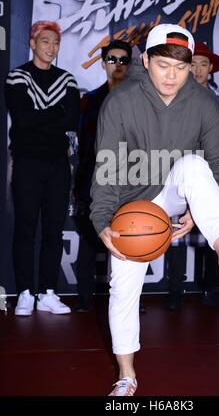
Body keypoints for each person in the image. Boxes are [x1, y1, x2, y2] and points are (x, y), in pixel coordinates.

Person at [90, 23, 219, 396]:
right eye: (164, 65)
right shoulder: (120, 102)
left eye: (181, 68)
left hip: (179, 187)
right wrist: (102, 219)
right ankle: (127, 375)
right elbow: (106, 166)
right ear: (145, 60)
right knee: (122, 287)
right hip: (133, 204)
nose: (173, 75)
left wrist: (198, 209)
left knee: (195, 167)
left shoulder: (202, 101)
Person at [5, 21, 80, 315]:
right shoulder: (17, 77)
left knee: (53, 230)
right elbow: (22, 120)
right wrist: (56, 115)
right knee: (25, 228)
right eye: (45, 41)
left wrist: (42, 118)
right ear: (33, 42)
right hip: (26, 163)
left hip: (58, 166)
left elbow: (72, 120)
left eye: (56, 43)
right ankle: (25, 292)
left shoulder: (68, 80)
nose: (51, 48)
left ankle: (47, 292)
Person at [165, 42, 219, 311]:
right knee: (178, 234)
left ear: (211, 69)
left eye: (203, 64)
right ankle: (175, 291)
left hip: (212, 176)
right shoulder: (173, 99)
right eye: (192, 64)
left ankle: (211, 289)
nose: (197, 69)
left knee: (212, 230)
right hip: (181, 176)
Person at [74, 40, 132, 312]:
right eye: (112, 59)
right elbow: (83, 143)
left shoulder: (139, 100)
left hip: (132, 178)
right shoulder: (89, 100)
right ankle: (85, 299)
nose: (117, 64)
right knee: (90, 238)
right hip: (94, 178)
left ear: (130, 64)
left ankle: (129, 299)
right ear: (103, 63)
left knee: (128, 240)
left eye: (123, 60)